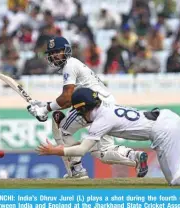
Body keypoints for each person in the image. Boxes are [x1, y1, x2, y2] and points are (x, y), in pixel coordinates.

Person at [36, 87, 180, 186]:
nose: (79, 116)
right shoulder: (105, 108)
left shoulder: (100, 120)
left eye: (79, 111)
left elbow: (81, 150)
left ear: (85, 108)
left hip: (161, 130)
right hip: (165, 116)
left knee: (176, 178)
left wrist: (53, 151)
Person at [27, 36, 148, 179]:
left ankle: (77, 169)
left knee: (63, 129)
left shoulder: (69, 65)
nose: (54, 55)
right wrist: (45, 105)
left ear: (66, 51)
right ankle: (136, 156)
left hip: (90, 105)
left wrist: (46, 109)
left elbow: (66, 98)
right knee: (102, 153)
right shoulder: (73, 65)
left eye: (57, 51)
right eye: (52, 53)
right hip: (107, 105)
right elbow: (69, 99)